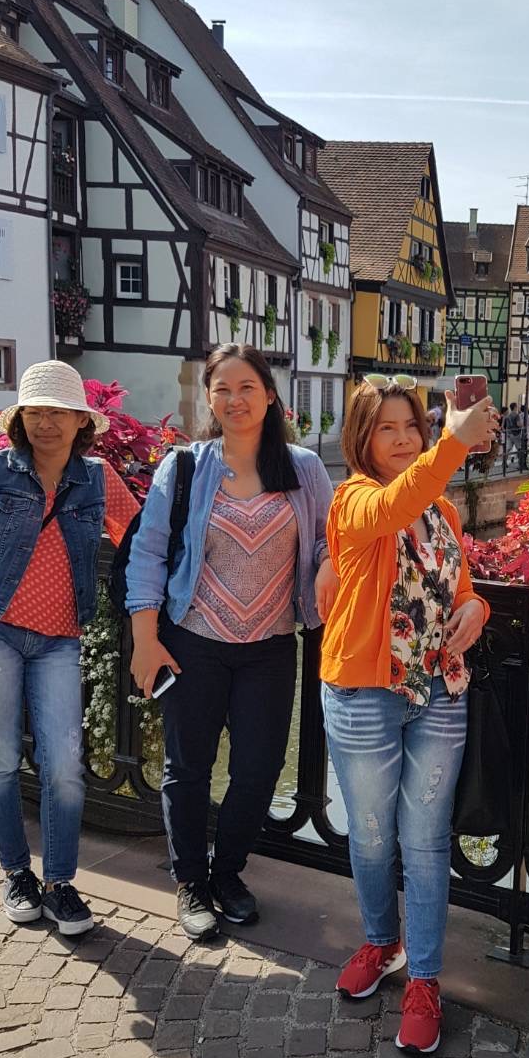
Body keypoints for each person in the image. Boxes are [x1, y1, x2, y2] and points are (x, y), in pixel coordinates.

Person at [124, 344, 335, 941]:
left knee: (259, 768)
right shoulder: (186, 467)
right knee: (188, 767)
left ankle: (228, 872)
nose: (235, 399)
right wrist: (145, 638)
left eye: (247, 388)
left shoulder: (303, 468)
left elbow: (328, 538)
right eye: (223, 389)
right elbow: (147, 552)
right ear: (210, 399)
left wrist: (327, 564)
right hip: (193, 641)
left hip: (270, 645)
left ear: (269, 395)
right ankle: (191, 881)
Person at [319, 374, 498, 1054]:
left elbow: (462, 586)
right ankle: (380, 941)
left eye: (411, 428)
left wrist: (477, 608)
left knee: (424, 840)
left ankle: (423, 977)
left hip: (439, 691)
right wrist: (455, 441)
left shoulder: (444, 510)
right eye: (385, 429)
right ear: (362, 439)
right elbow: (397, 504)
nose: (400, 439)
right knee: (371, 834)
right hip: (366, 692)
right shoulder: (354, 499)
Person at [0, 362, 139, 935]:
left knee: (65, 768)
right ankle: (16, 872)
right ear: (20, 419)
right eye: (35, 412)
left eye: (58, 412)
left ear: (81, 421)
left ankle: (61, 883)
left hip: (60, 640)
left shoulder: (97, 478)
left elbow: (141, 539)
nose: (46, 423)